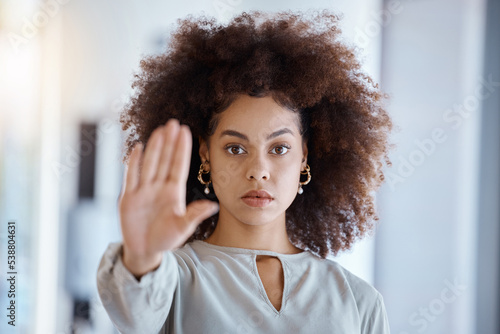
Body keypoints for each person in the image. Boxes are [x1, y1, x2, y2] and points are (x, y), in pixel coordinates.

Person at [97, 9, 394, 334]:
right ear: (205, 155)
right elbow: (133, 312)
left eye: (279, 149)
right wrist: (142, 256)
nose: (258, 171)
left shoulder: (358, 301)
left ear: (304, 157)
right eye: (235, 148)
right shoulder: (170, 279)